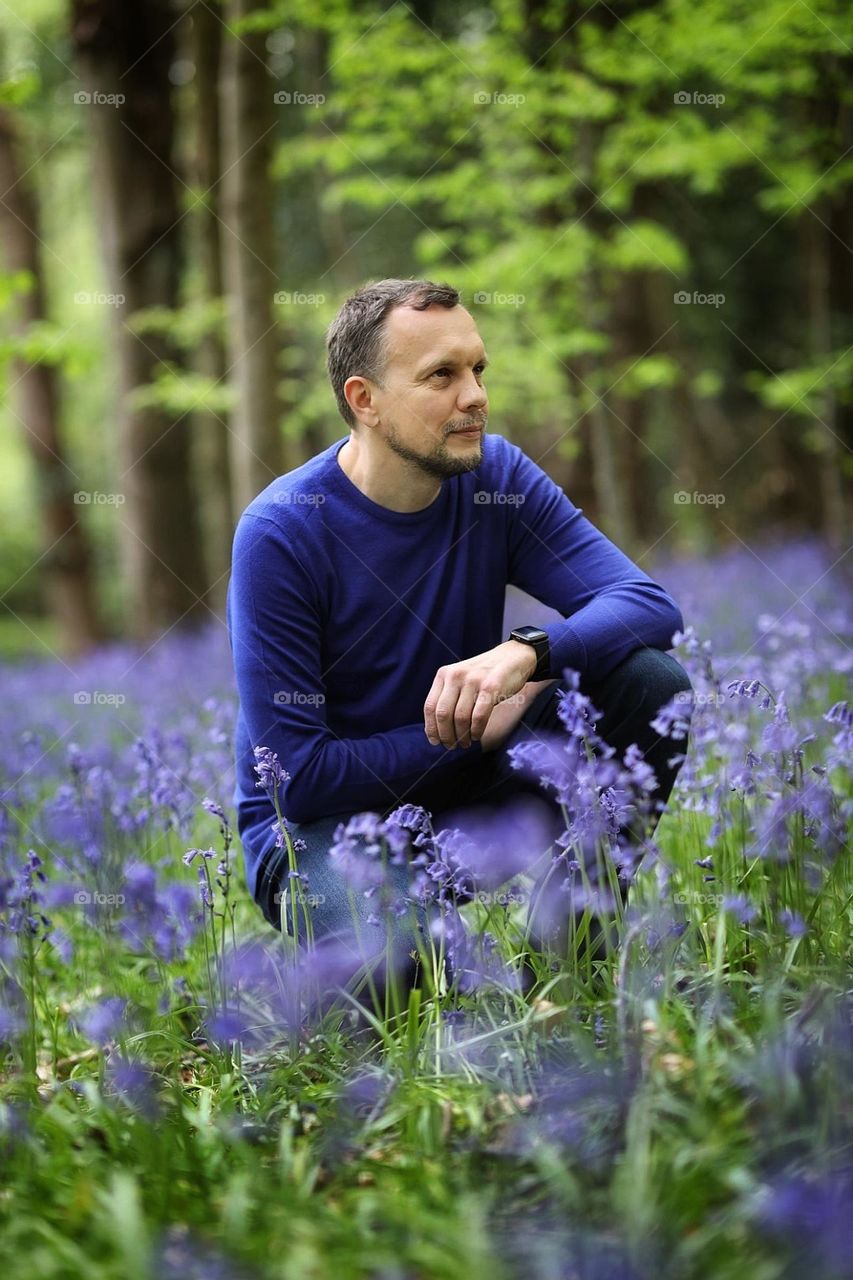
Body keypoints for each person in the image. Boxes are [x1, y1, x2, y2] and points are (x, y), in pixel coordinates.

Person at [225, 278, 692, 1000]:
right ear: (364, 400)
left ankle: (570, 970)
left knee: (650, 682)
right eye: (440, 376)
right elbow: (298, 778)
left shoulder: (496, 477)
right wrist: (468, 734)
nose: (473, 395)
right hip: (325, 832)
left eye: (477, 370)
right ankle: (320, 973)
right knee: (403, 973)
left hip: (467, 799)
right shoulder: (283, 531)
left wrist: (528, 650)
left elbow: (645, 603)